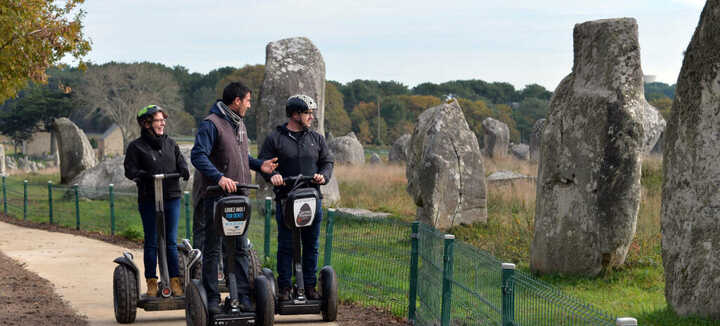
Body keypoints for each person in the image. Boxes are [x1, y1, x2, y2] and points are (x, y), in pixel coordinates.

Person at [191, 82, 277, 313]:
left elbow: (241, 155)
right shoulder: (212, 124)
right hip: (216, 197)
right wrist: (219, 178)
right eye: (247, 101)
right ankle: (211, 299)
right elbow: (198, 156)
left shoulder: (238, 123)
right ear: (236, 101)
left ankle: (242, 298)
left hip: (239, 197)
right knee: (213, 249)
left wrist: (261, 166)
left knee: (239, 248)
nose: (249, 105)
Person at [258, 94, 334, 301]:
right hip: (286, 199)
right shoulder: (276, 138)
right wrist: (272, 176)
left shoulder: (316, 138)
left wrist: (323, 176)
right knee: (286, 244)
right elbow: (263, 163)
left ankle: (309, 286)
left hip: (312, 199)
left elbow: (327, 162)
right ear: (294, 114)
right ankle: (284, 287)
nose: (311, 117)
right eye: (307, 113)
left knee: (311, 244)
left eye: (312, 113)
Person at [124, 104, 190, 297]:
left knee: (170, 241)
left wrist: (184, 169)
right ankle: (152, 282)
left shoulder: (171, 143)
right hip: (149, 198)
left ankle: (175, 281)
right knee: (151, 241)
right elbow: (130, 170)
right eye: (158, 120)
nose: (162, 124)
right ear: (147, 124)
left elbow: (180, 160)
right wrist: (141, 175)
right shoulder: (136, 147)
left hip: (171, 196)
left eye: (163, 120)